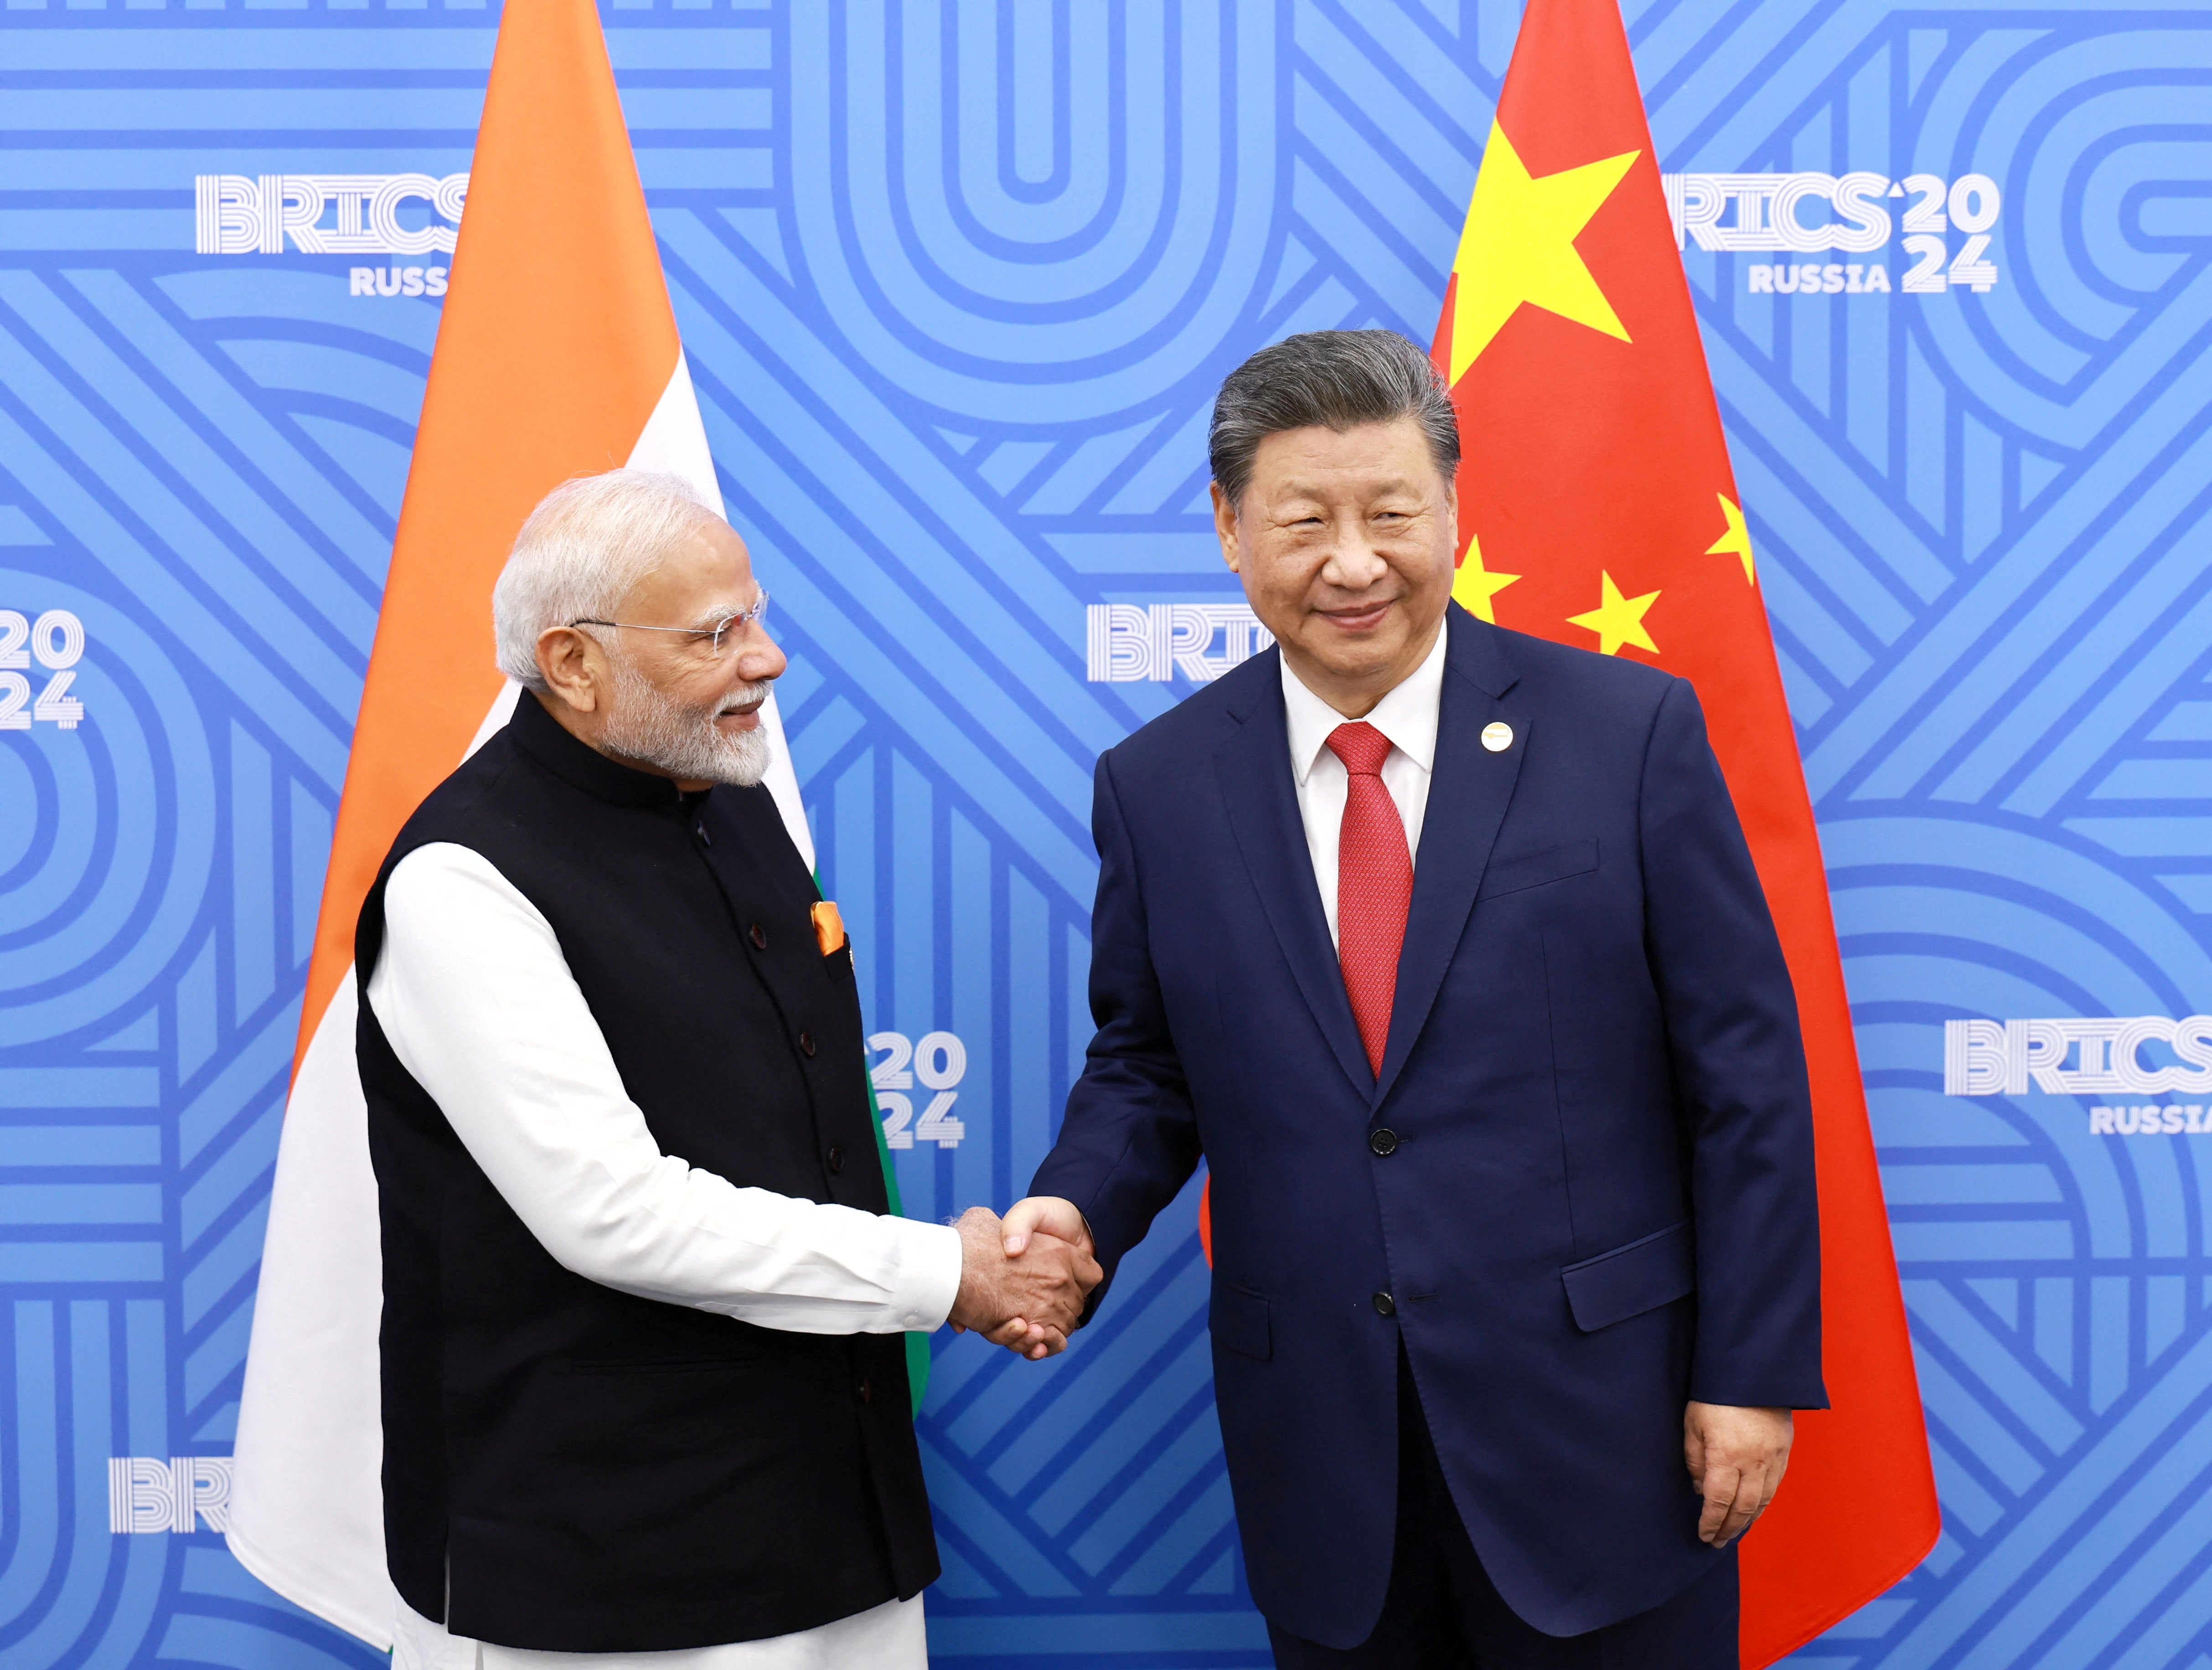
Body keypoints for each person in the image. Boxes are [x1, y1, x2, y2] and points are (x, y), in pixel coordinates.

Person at [1001, 330, 1825, 1668]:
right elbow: (1148, 1062)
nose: (1352, 562)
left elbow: (1744, 1079)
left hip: (1606, 1433)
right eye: (1302, 520)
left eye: (1390, 513)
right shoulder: (1155, 786)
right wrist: (1074, 1206)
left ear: (1451, 509)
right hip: (1328, 1451)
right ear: (1225, 529)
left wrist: (1748, 1372)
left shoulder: (1628, 735)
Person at [359, 470, 1098, 1670]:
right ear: (573, 661)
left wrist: (976, 1273)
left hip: (834, 1520)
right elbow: (614, 1216)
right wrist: (949, 1274)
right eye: (717, 634)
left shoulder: (729, 793)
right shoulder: (462, 880)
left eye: (755, 616)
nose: (769, 661)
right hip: (604, 1570)